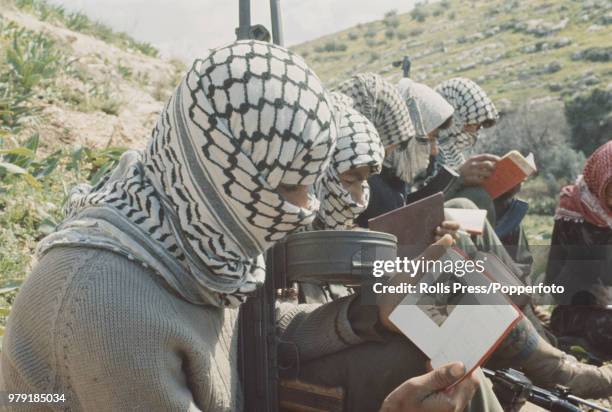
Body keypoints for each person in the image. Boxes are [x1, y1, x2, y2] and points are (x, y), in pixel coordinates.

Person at [1, 40, 339, 411]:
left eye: (309, 186)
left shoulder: (201, 240)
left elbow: (249, 338)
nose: (306, 207)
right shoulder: (114, 302)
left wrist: (364, 317)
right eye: (290, 187)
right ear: (224, 174)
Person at [545, 140, 612, 358]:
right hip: (581, 312)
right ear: (601, 182)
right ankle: (576, 342)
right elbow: (556, 285)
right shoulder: (574, 214)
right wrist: (593, 290)